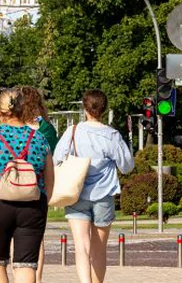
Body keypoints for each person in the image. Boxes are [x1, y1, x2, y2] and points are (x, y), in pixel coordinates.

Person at [0, 87, 54, 283]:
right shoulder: (39, 138)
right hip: (33, 205)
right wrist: (43, 202)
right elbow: (50, 177)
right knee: (26, 265)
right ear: (24, 109)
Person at [52, 89, 134, 283]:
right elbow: (127, 167)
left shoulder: (72, 132)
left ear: (84, 108)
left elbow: (56, 159)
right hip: (104, 195)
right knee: (99, 249)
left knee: (81, 247)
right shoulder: (112, 135)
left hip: (76, 193)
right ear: (104, 109)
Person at [18, 86, 59, 283]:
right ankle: (37, 278)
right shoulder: (46, 130)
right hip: (37, 190)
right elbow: (54, 159)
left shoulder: (11, 128)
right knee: (37, 239)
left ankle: (19, 276)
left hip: (10, 189)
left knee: (13, 237)